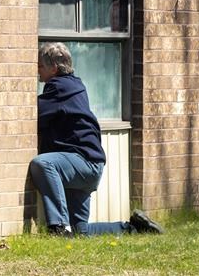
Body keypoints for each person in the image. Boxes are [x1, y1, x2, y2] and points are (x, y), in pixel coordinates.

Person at [30, 41, 164, 237]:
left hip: (82, 162)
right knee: (80, 231)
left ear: (54, 68)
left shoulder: (59, 87)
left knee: (42, 164)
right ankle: (134, 228)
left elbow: (30, 113)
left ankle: (59, 227)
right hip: (91, 165)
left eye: (40, 66)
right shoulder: (74, 85)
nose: (37, 70)